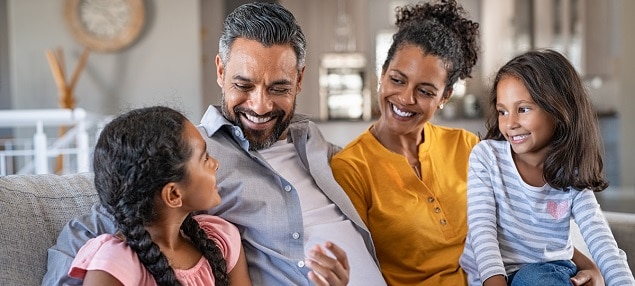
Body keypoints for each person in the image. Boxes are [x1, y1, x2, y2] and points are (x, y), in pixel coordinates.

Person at [42, 2, 385, 286]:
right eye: (244, 85)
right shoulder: (189, 157)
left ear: (300, 80)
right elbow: (93, 227)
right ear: (220, 71)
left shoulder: (313, 142)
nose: (260, 106)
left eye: (279, 88)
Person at [330, 1, 602, 285]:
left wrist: (589, 265)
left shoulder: (467, 146)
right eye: (397, 79)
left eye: (425, 90)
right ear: (382, 73)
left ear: (445, 95)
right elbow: (357, 269)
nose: (406, 98)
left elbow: (525, 226)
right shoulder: (350, 168)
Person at [459, 49, 635, 286]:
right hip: (492, 276)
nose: (510, 123)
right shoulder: (487, 157)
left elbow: (602, 241)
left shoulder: (570, 174)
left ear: (559, 110)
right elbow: (483, 233)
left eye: (523, 109)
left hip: (545, 273)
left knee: (536, 278)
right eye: (502, 111)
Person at [67, 106, 250, 285]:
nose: (216, 164)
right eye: (205, 159)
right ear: (173, 194)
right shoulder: (114, 263)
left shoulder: (221, 238)